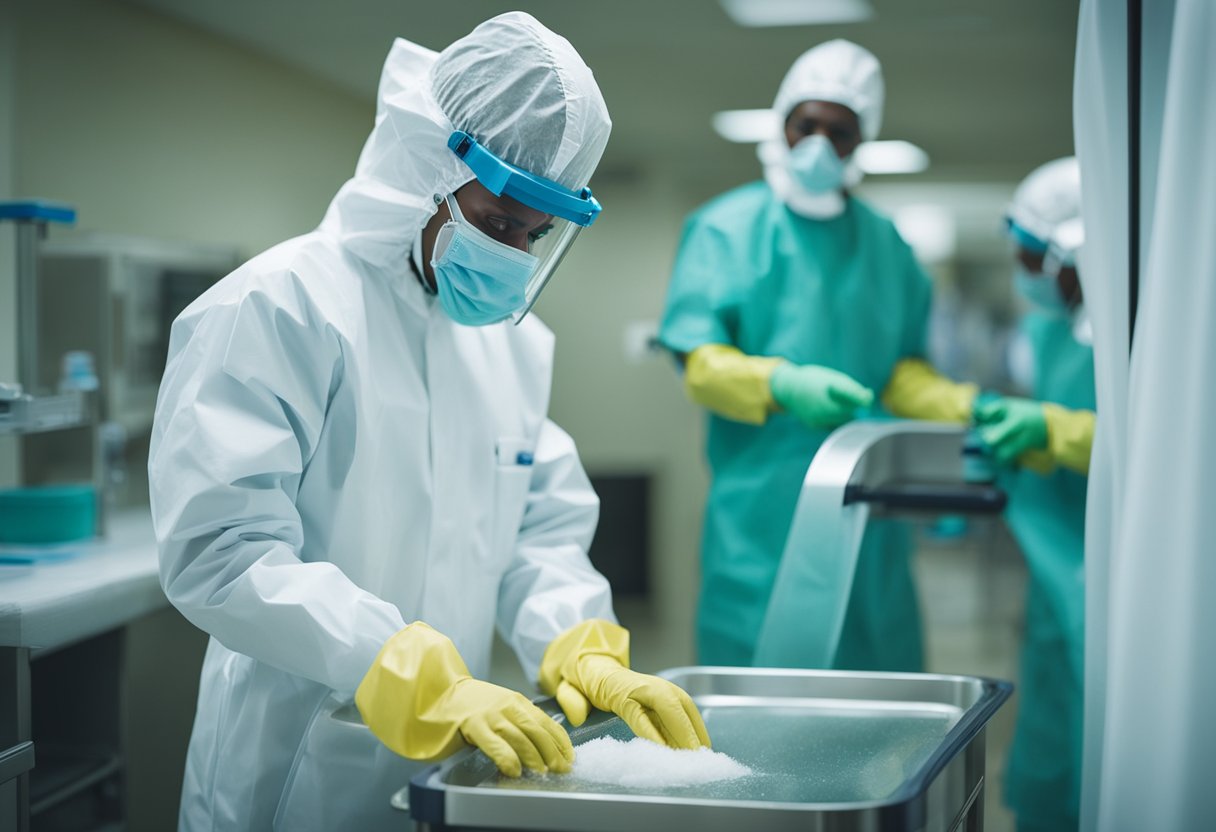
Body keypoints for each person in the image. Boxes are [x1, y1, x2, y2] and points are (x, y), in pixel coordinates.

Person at [148, 14, 707, 832]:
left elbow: (536, 533)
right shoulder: (276, 307)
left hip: (453, 766)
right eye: (499, 222)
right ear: (427, 166)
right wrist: (391, 660)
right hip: (288, 773)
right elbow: (220, 553)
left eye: (535, 234)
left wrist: (579, 641)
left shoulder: (509, 350)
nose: (515, 255)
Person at [657, 39, 977, 671]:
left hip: (869, 507)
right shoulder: (726, 227)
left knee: (877, 687)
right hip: (761, 516)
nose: (819, 144)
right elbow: (699, 363)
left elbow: (904, 371)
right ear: (782, 122)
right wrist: (783, 383)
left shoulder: (887, 245)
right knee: (758, 687)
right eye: (807, 124)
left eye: (840, 131)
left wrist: (962, 412)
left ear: (862, 142)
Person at [977, 157, 1094, 832]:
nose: (1023, 273)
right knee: (1053, 723)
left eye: (1029, 256)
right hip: (1059, 571)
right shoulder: (1052, 328)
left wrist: (1053, 429)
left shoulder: (1157, 324)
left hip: (1126, 576)